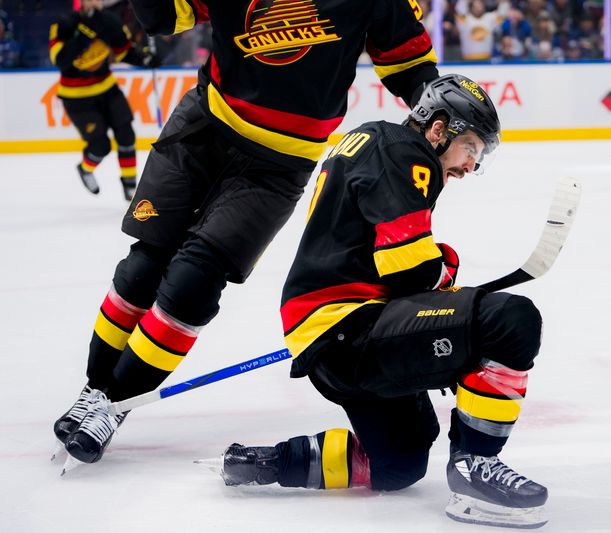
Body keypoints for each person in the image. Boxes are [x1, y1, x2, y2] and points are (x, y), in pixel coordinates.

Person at [53, 0, 439, 466]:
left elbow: (411, 69)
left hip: (276, 165)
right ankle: (95, 392)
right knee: (144, 267)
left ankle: (112, 406)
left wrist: (447, 120)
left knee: (193, 284)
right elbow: (161, 17)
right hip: (203, 127)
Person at [207, 74, 548, 529]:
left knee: (401, 461)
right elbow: (410, 272)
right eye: (470, 148)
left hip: (330, 329)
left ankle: (265, 462)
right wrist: (445, 266)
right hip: (350, 326)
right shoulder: (402, 151)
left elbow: (382, 258)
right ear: (438, 128)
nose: (469, 167)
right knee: (510, 319)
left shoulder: (372, 140)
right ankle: (475, 469)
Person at [49, 0, 158, 199]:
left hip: (107, 89)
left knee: (126, 134)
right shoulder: (64, 23)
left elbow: (123, 51)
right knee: (100, 146)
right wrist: (83, 36)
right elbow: (60, 60)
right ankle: (85, 168)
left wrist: (144, 59)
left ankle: (130, 187)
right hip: (77, 98)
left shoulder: (109, 21)